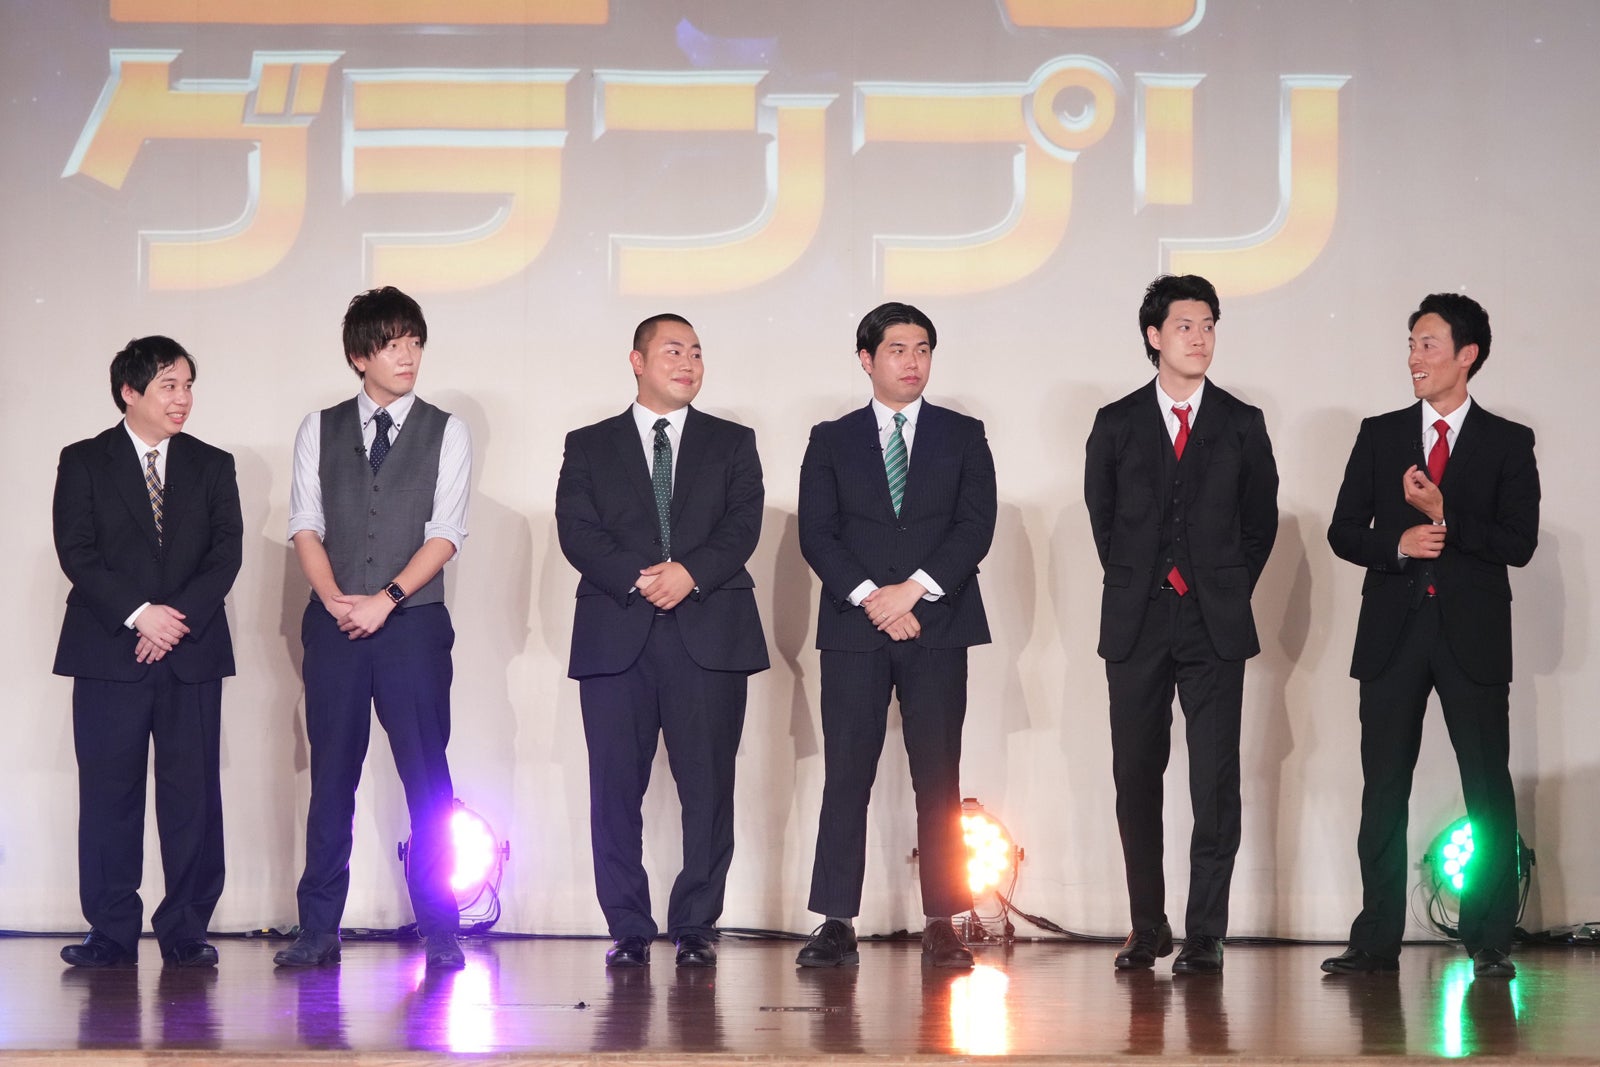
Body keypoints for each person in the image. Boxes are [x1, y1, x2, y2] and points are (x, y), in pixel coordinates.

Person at [1322, 293, 1538, 979]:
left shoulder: (1508, 441)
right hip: (1394, 633)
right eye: (1411, 343)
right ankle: (1375, 938)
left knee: (1487, 787)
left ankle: (1489, 937)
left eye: (1428, 344)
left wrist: (1446, 517)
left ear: (1466, 354)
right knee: (1383, 786)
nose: (1414, 357)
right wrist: (1398, 544)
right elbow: (1342, 531)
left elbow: (1519, 542)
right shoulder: (1380, 434)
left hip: (1473, 636)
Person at [556, 313, 768, 969]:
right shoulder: (589, 444)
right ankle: (628, 925)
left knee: (708, 787)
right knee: (615, 788)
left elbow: (743, 525)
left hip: (709, 630)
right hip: (616, 632)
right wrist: (642, 577)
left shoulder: (732, 441)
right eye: (673, 351)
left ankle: (696, 925)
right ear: (637, 361)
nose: (688, 363)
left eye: (697, 353)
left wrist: (689, 573)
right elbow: (576, 529)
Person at [1084, 274, 1279, 975]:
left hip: (1213, 624)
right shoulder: (1115, 422)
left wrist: (1219, 587)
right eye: (1185, 325)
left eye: (1208, 325)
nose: (1199, 338)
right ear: (1154, 336)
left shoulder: (1241, 422)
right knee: (1136, 775)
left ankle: (1206, 933)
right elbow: (1105, 519)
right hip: (1136, 622)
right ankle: (1147, 925)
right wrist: (1144, 582)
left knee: (1214, 780)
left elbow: (1259, 524)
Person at [794, 302, 996, 970]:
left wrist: (913, 590)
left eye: (923, 349)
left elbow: (975, 526)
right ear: (866, 359)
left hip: (937, 623)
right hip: (856, 627)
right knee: (847, 774)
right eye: (898, 350)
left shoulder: (963, 435)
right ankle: (835, 920)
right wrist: (873, 598)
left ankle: (943, 919)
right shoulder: (831, 439)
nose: (913, 362)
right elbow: (818, 532)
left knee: (938, 777)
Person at [275, 286, 469, 971]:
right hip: (334, 625)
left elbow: (446, 532)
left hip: (413, 624)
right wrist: (335, 600)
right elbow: (306, 523)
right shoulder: (319, 427)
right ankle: (318, 928)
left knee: (427, 777)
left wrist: (385, 598)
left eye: (415, 342)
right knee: (332, 775)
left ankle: (440, 927)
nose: (408, 355)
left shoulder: (447, 430)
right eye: (392, 344)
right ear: (360, 356)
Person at [53, 336, 243, 968]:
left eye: (187, 385)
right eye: (168, 385)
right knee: (109, 794)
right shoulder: (84, 461)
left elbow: (226, 554)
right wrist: (141, 614)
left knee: (193, 796)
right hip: (110, 652)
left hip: (191, 652)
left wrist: (172, 621)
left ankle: (186, 927)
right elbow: (77, 552)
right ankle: (110, 931)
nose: (182, 398)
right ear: (129, 392)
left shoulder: (212, 464)